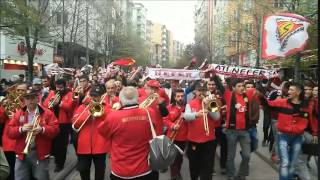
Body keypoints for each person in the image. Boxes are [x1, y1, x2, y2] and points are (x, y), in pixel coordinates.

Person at [98, 86, 159, 180]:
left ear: (120, 100)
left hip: (120, 170)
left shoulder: (113, 116)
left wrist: (116, 111)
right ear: (137, 98)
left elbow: (102, 132)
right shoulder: (149, 112)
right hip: (144, 169)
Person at [260, 82, 317, 180]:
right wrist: (260, 96)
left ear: (298, 92)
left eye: (291, 90)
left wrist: (314, 133)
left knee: (293, 163)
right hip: (283, 136)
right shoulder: (283, 102)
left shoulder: (306, 106)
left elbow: (312, 120)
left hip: (297, 137)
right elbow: (269, 105)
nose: (288, 91)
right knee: (285, 162)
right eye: (289, 89)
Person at [8, 88, 59, 180]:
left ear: (37, 98)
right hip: (21, 153)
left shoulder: (48, 113)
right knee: (20, 178)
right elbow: (10, 132)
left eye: (32, 98)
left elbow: (55, 130)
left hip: (40, 153)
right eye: (27, 98)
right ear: (24, 100)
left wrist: (43, 129)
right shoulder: (19, 114)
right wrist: (21, 129)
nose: (30, 100)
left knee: (42, 177)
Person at [212, 75, 253, 180]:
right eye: (239, 86)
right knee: (231, 156)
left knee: (247, 155)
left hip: (244, 132)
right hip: (231, 131)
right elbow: (220, 86)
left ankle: (242, 174)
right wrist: (214, 75)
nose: (242, 88)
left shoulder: (246, 96)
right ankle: (231, 174)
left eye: (242, 86)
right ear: (233, 87)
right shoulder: (228, 95)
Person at [183, 83, 220, 180]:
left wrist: (209, 105)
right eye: (199, 90)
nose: (201, 92)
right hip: (194, 140)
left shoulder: (211, 102)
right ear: (195, 91)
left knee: (207, 167)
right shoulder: (190, 103)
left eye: (203, 90)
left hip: (209, 140)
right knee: (194, 167)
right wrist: (195, 115)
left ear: (206, 91)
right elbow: (186, 117)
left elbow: (216, 117)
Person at [72, 85, 109, 180]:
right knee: (83, 169)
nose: (93, 98)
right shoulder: (82, 107)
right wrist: (87, 114)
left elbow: (109, 120)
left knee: (100, 170)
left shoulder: (106, 107)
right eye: (91, 95)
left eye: (96, 96)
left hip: (100, 145)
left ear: (101, 96)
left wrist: (97, 110)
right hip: (84, 145)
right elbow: (75, 124)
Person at [43, 78, 76, 172]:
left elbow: (71, 108)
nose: (58, 89)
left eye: (60, 88)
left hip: (64, 123)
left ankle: (60, 164)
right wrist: (50, 103)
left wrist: (60, 103)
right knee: (53, 144)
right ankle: (55, 159)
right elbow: (45, 105)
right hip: (53, 122)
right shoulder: (52, 93)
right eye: (57, 87)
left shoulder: (70, 94)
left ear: (64, 86)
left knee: (61, 145)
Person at [0, 83, 27, 180]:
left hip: (21, 140)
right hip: (8, 140)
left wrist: (15, 117)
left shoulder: (28, 103)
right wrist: (3, 107)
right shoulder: (9, 102)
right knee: (9, 168)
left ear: (27, 91)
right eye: (18, 90)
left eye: (22, 90)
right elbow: (1, 119)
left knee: (20, 170)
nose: (20, 92)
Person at [163, 89, 187, 180]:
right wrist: (172, 125)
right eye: (178, 96)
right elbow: (165, 119)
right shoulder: (169, 107)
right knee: (173, 157)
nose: (180, 98)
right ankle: (174, 175)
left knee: (180, 158)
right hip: (172, 137)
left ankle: (177, 172)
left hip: (184, 137)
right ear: (174, 97)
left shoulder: (187, 108)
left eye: (182, 96)